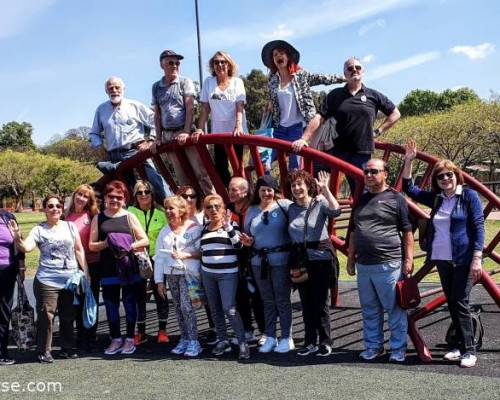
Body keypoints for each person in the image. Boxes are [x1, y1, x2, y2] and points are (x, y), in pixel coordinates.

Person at [402, 139, 484, 368]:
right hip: (442, 259)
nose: (445, 179)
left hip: (464, 259)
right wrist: (409, 160)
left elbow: (478, 227)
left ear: (457, 175)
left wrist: (477, 258)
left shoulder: (468, 197)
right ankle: (458, 345)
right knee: (452, 301)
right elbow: (409, 189)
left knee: (460, 301)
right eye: (440, 176)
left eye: (449, 174)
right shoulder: (438, 198)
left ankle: (469, 349)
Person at [294, 57, 400, 193]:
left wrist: (378, 131)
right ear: (345, 74)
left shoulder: (373, 95)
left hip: (361, 152)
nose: (354, 70)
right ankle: (313, 210)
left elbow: (395, 113)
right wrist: (304, 138)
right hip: (335, 150)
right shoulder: (335, 95)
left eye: (358, 68)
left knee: (361, 191)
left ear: (363, 72)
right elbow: (319, 117)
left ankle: (360, 213)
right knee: (313, 181)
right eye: (350, 68)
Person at [347, 158, 413, 363]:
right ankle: (374, 347)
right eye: (366, 171)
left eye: (374, 171)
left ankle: (398, 348)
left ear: (385, 174)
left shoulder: (396, 198)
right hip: (364, 264)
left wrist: (408, 260)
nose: (368, 175)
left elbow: (407, 231)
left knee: (394, 309)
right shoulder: (361, 200)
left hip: (389, 263)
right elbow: (353, 232)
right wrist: (350, 259)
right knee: (369, 309)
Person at [9, 195, 89, 363]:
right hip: (47, 280)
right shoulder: (39, 230)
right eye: (50, 206)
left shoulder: (70, 226)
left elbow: (79, 250)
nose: (55, 209)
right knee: (47, 316)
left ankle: (67, 348)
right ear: (44, 209)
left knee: (68, 315)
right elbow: (27, 247)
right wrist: (17, 236)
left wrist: (85, 272)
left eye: (58, 206)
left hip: (70, 279)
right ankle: (44, 350)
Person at [261, 40, 344, 170]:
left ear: (288, 57)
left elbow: (321, 78)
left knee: (295, 168)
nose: (278, 56)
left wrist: (342, 78)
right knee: (264, 162)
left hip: (297, 128)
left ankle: (293, 189)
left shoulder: (301, 76)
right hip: (279, 128)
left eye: (281, 53)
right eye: (275, 54)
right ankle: (269, 189)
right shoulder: (272, 81)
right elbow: (274, 102)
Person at [89, 180, 149, 356]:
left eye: (119, 197)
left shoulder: (129, 216)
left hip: (129, 266)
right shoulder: (98, 218)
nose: (114, 200)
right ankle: (115, 339)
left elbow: (144, 240)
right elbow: (92, 245)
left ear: (124, 199)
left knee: (130, 303)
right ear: (105, 198)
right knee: (111, 305)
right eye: (111, 196)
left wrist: (128, 245)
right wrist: (107, 243)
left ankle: (130, 339)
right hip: (108, 269)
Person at [89, 76, 171, 203]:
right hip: (115, 157)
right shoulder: (101, 109)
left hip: (136, 151)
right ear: (106, 91)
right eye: (110, 88)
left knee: (155, 182)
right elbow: (94, 133)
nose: (114, 90)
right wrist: (99, 147)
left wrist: (150, 140)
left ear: (123, 89)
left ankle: (170, 207)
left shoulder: (135, 106)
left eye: (117, 87)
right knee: (126, 191)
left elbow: (156, 121)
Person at [287, 170, 341, 357]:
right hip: (300, 260)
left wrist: (325, 188)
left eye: (300, 184)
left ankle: (325, 341)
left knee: (320, 302)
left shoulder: (320, 202)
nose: (297, 188)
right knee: (306, 302)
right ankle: (310, 341)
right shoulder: (290, 208)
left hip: (320, 259)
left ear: (308, 186)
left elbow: (337, 211)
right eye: (293, 185)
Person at [241, 175, 294, 353]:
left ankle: (287, 337)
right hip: (259, 262)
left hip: (281, 260)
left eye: (270, 189)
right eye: (263, 190)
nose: (266, 193)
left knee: (282, 299)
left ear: (275, 190)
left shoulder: (284, 205)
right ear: (258, 191)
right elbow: (248, 235)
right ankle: (270, 336)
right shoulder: (251, 210)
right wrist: (247, 242)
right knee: (267, 300)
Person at [151, 50, 214, 194]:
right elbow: (157, 114)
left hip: (184, 129)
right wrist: (158, 138)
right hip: (168, 135)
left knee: (201, 173)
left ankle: (212, 202)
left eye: (177, 63)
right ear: (162, 65)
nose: (175, 66)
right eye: (170, 63)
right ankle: (191, 208)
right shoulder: (156, 87)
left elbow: (190, 108)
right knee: (182, 177)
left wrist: (186, 131)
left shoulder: (184, 82)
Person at [200, 194, 250, 360]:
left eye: (217, 206)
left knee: (229, 307)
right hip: (207, 273)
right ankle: (223, 340)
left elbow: (239, 245)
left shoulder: (231, 224)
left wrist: (228, 228)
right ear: (205, 210)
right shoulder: (204, 227)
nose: (213, 210)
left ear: (223, 208)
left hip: (227, 274)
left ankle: (242, 342)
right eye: (209, 207)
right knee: (214, 309)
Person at [154, 195, 203, 357]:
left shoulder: (193, 228)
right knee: (178, 308)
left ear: (181, 210)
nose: (168, 211)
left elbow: (201, 252)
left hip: (188, 274)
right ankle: (185, 337)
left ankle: (194, 340)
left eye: (171, 208)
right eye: (166, 208)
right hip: (171, 274)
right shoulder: (164, 231)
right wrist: (159, 281)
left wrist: (185, 255)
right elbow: (159, 257)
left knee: (187, 307)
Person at [195, 51, 248, 186]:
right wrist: (200, 128)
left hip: (235, 130)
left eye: (223, 62)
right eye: (216, 62)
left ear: (228, 65)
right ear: (213, 66)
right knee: (220, 167)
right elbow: (205, 108)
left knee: (238, 166)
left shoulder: (237, 82)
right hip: (218, 131)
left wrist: (238, 125)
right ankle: (228, 196)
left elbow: (239, 106)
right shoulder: (209, 82)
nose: (220, 65)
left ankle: (243, 195)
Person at [127, 181, 169, 346]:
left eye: (147, 192)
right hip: (137, 258)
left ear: (152, 194)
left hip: (157, 258)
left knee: (161, 293)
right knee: (140, 295)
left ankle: (162, 330)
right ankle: (141, 332)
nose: (143, 195)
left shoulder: (161, 213)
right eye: (140, 192)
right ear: (135, 196)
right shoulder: (129, 212)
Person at [227, 177, 265, 344]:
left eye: (234, 189)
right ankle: (247, 331)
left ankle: (266, 332)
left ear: (244, 191)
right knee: (240, 295)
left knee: (258, 296)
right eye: (230, 189)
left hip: (253, 257)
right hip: (235, 259)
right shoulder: (227, 210)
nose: (231, 193)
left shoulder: (255, 209)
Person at [65, 184, 100, 352]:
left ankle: (91, 338)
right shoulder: (65, 216)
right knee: (76, 303)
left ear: (89, 200)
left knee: (90, 301)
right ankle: (80, 338)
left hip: (91, 264)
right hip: (72, 265)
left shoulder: (92, 216)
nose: (81, 198)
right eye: (79, 194)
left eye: (85, 196)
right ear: (74, 195)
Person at [0, 209, 25, 366]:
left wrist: (21, 268)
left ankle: (2, 352)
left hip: (7, 271)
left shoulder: (7, 216)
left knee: (3, 313)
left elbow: (18, 242)